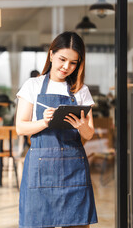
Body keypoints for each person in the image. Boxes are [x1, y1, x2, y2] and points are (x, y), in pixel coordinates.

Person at [16, 31, 98, 228]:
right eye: (62, 59)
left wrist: (82, 126)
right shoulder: (33, 85)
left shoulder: (81, 90)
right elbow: (21, 127)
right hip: (40, 169)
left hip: (74, 169)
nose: (66, 67)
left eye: (73, 63)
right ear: (51, 54)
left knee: (78, 224)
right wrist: (44, 122)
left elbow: (89, 134)